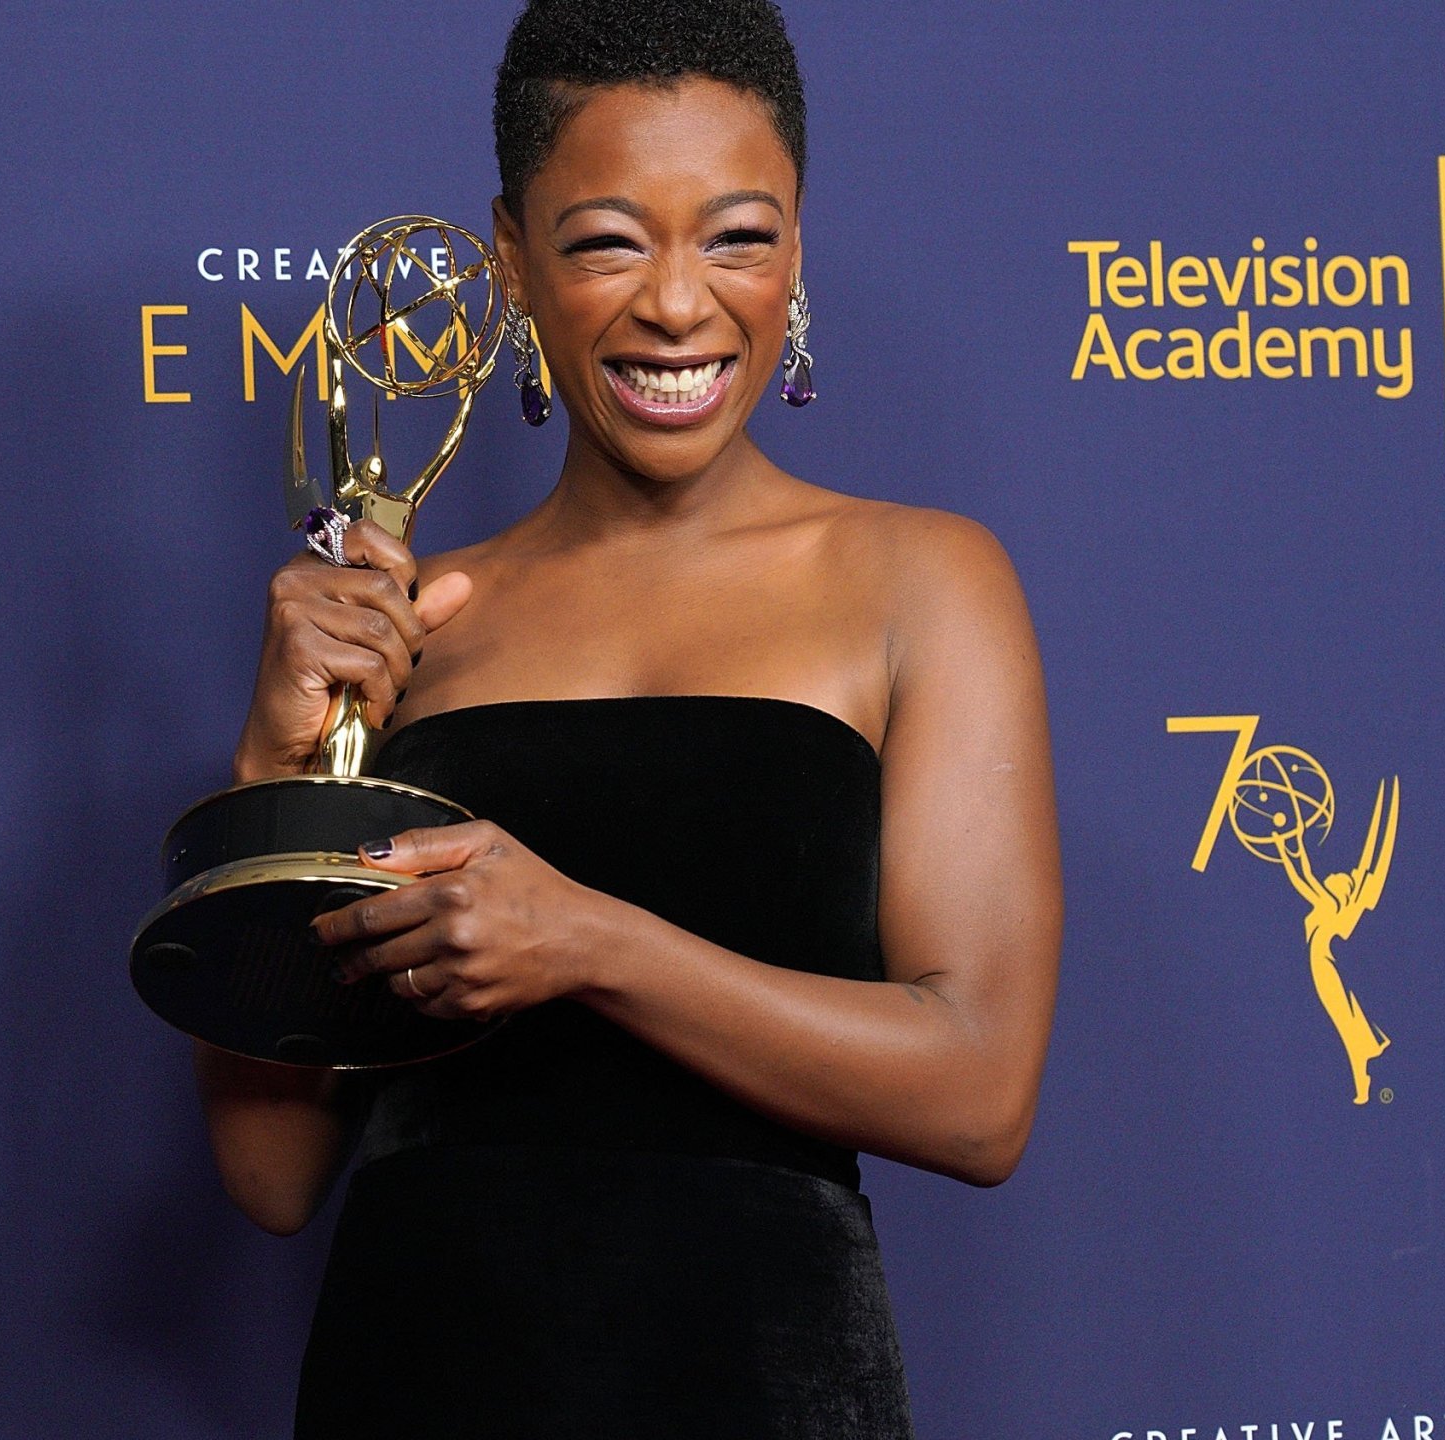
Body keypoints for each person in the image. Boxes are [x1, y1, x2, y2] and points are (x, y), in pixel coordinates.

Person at [194, 2, 1061, 1433]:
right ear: (510, 262)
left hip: (765, 1382)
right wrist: (274, 759)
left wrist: (591, 945)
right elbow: (274, 1173)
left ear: (798, 244)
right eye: (607, 240)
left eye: (737, 234)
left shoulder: (918, 581)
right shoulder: (420, 625)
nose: (676, 303)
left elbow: (979, 1097)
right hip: (421, 1375)